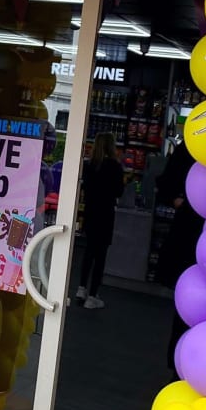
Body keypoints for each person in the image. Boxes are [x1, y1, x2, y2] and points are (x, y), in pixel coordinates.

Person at [154, 139, 205, 370]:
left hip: (199, 234)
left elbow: (166, 182)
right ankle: (181, 364)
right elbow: (166, 183)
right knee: (190, 301)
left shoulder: (195, 145)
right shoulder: (197, 145)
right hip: (192, 234)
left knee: (189, 303)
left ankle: (182, 363)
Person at [76, 132, 125, 309]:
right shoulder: (115, 167)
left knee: (88, 252)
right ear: (112, 146)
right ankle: (93, 295)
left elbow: (84, 187)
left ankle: (81, 288)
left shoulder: (89, 165)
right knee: (100, 256)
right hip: (105, 214)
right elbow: (119, 191)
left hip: (90, 213)